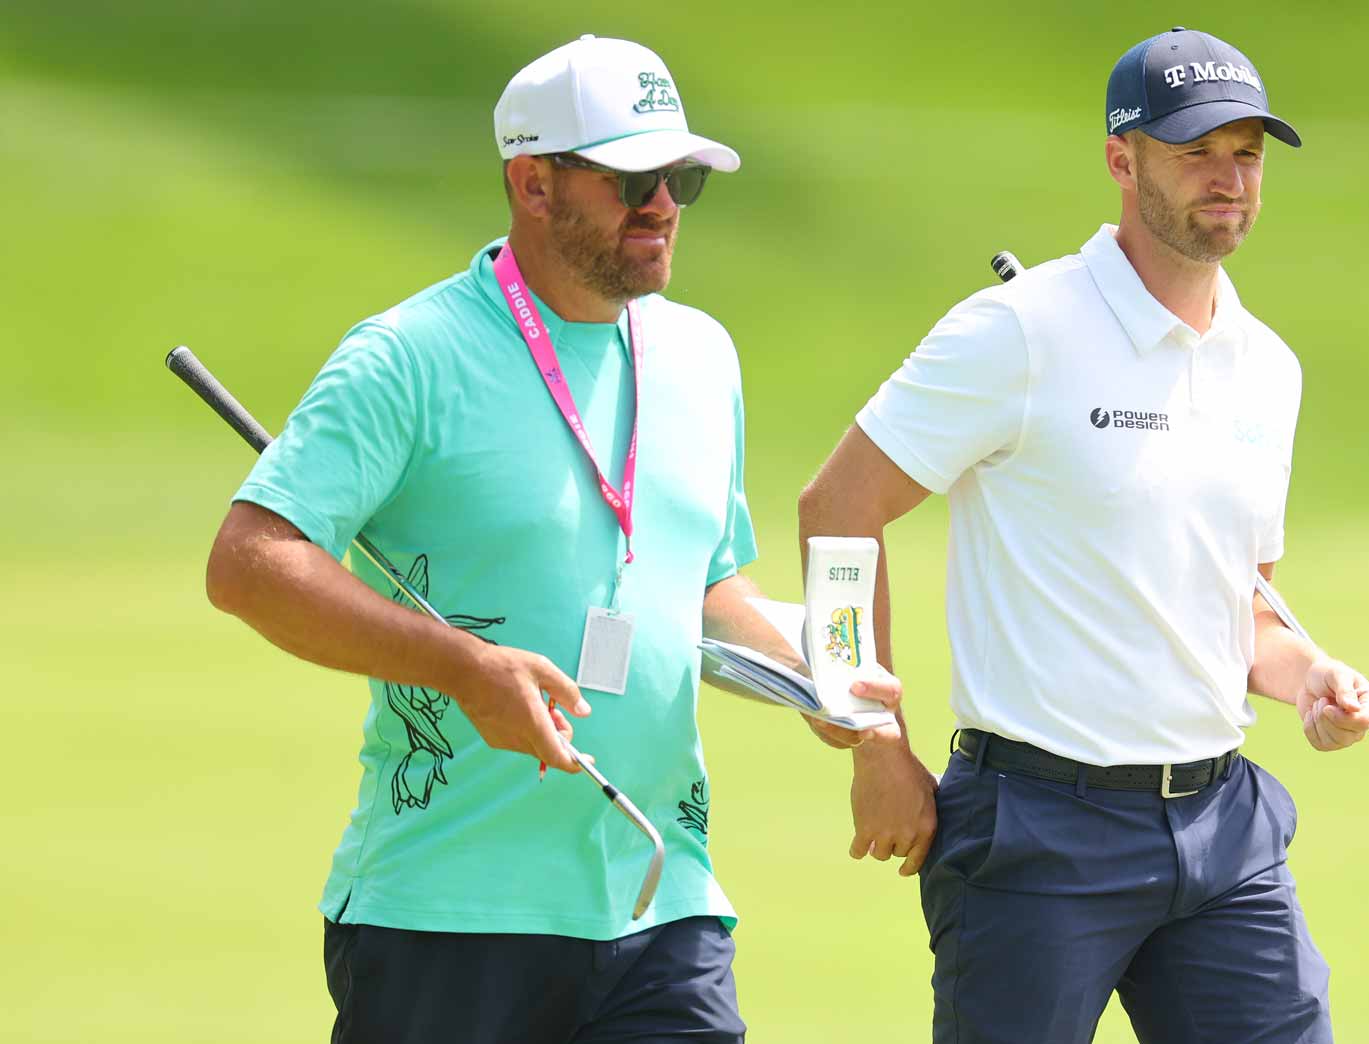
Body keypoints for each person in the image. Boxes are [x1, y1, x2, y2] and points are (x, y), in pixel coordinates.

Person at [205, 34, 896, 1044]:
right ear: (532, 184)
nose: (662, 204)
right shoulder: (408, 358)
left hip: (664, 901)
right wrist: (458, 665)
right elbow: (249, 562)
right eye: (631, 180)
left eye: (680, 179)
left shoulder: (703, 357)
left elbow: (700, 586)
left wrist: (809, 679)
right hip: (447, 913)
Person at [798, 26, 1369, 1044]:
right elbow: (835, 509)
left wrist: (1309, 680)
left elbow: (1238, 605)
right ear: (1121, 160)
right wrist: (871, 738)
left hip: (1221, 829)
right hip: (1036, 834)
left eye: (1244, 153)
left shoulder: (1266, 367)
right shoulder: (1016, 332)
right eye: (1193, 150)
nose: (1226, 178)